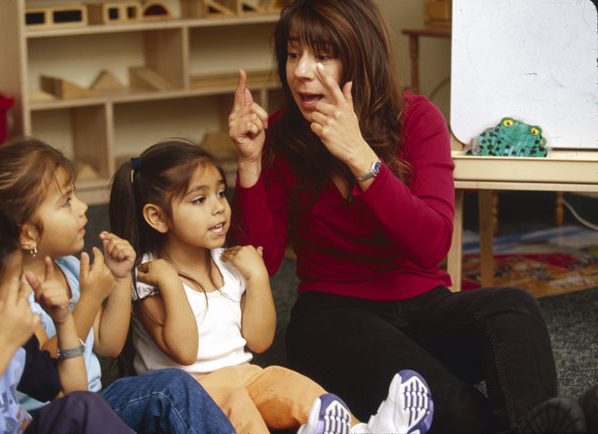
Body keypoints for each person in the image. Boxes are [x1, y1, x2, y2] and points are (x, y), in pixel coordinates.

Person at [227, 0, 598, 433]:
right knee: (451, 405)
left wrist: (361, 158)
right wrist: (250, 164)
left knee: (514, 306)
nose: (302, 71)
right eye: (293, 54)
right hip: (332, 317)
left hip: (425, 304)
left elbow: (431, 245)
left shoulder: (419, 119)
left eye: (322, 54)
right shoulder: (282, 136)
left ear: (359, 56)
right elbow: (262, 262)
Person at [108, 139, 434, 434]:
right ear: (157, 217)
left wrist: (258, 277)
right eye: (199, 199)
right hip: (189, 399)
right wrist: (171, 283)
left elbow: (259, 341)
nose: (219, 206)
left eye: (221, 193)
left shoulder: (229, 261)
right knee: (234, 397)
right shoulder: (147, 275)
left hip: (242, 375)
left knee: (288, 383)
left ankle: (362, 431)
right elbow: (184, 350)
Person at [0, 138, 236, 434]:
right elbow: (45, 366)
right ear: (27, 234)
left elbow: (109, 343)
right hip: (48, 414)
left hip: (94, 400)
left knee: (173, 384)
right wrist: (89, 299)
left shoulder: (69, 269)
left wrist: (117, 278)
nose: (82, 206)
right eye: (66, 202)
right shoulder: (12, 296)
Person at [0, 200, 133, 434]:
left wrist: (63, 321)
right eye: (16, 287)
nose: (26, 292)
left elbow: (76, 394)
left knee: (82, 407)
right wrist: (2, 344)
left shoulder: (19, 345)